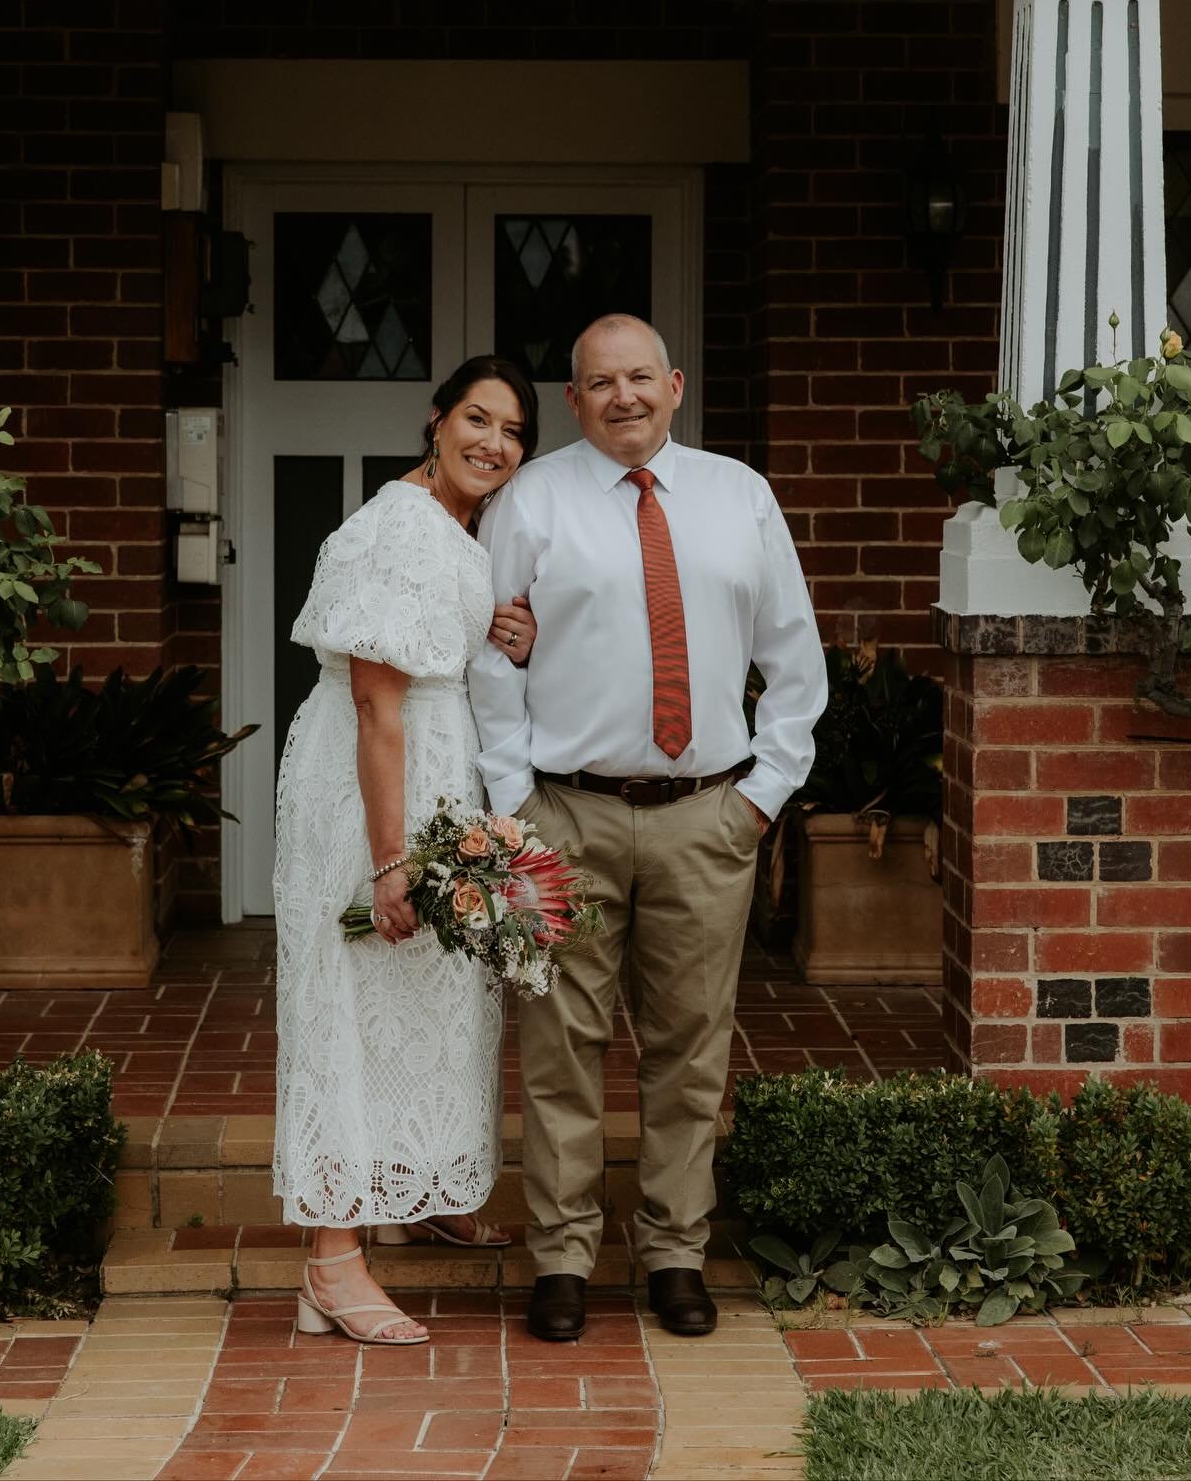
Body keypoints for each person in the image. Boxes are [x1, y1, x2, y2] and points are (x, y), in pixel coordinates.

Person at [468, 314, 826, 1342]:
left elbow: (795, 662)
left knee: (690, 1050)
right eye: (597, 383)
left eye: (638, 378)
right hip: (565, 816)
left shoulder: (738, 497)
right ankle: (564, 1260)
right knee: (560, 1048)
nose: (621, 397)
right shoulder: (532, 500)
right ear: (573, 402)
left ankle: (676, 1252)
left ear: (673, 385)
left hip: (707, 816)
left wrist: (764, 795)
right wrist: (516, 808)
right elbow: (492, 661)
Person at [272, 354, 540, 1347]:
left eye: (513, 432)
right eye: (478, 419)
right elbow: (379, 706)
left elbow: (436, 650)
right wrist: (389, 862)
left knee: (427, 1000)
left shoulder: (453, 529)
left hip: (431, 775)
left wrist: (498, 632)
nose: (494, 444)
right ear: (435, 420)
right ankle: (332, 1266)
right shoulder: (393, 529)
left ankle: (425, 1186)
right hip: (368, 789)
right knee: (350, 1005)